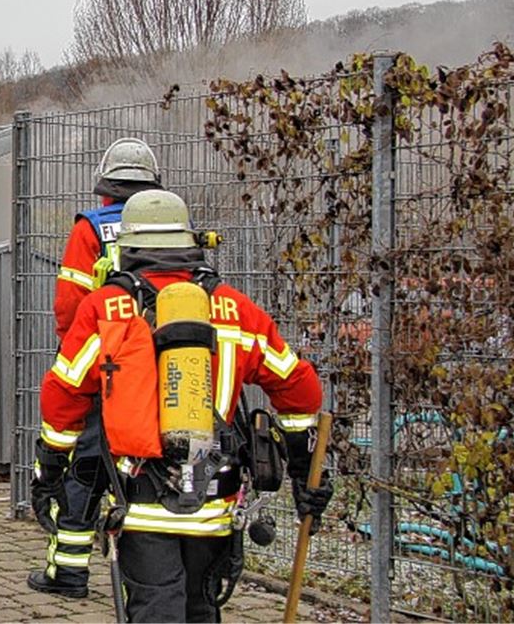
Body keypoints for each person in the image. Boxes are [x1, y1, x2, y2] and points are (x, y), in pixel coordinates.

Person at [31, 189, 334, 622]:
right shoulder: (233, 308)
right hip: (215, 504)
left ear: (127, 247)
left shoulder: (106, 308)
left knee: (155, 608)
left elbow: (64, 393)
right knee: (201, 607)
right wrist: (305, 469)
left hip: (143, 502)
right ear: (191, 244)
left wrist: (50, 469)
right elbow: (298, 387)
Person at [28, 138, 162, 599]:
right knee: (149, 466)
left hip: (101, 365)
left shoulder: (92, 227)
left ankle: (68, 571)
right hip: (159, 369)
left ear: (105, 185)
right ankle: (148, 574)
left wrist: (74, 354)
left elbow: (70, 303)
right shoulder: (172, 225)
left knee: (85, 465)